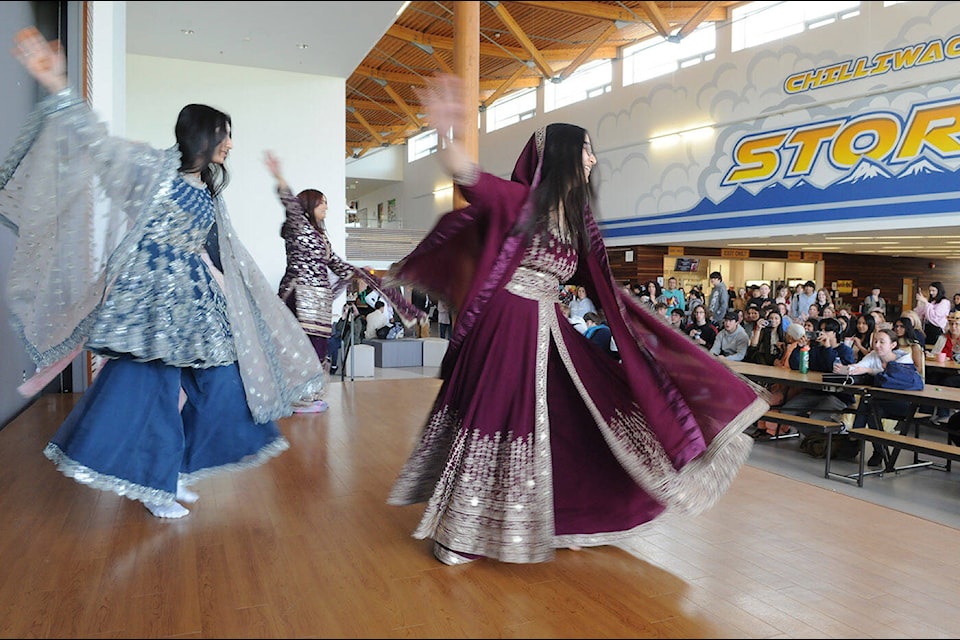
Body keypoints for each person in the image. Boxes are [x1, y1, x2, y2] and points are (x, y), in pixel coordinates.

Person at [385, 74, 767, 565]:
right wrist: (447, 131)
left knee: (569, 415)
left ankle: (558, 512)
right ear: (563, 155)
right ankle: (460, 532)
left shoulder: (577, 223)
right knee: (500, 415)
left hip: (545, 324)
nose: (593, 159)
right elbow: (468, 176)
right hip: (508, 324)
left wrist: (650, 336)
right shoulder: (521, 202)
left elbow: (606, 288)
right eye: (585, 150)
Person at [0, 28, 326, 518]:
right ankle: (154, 483)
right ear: (204, 134)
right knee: (143, 393)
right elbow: (96, 141)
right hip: (149, 308)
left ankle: (171, 469)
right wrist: (56, 85)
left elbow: (222, 254)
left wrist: (250, 306)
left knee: (224, 386)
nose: (231, 145)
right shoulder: (147, 172)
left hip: (195, 306)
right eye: (225, 134)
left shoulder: (210, 194)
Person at [265, 151, 400, 412]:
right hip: (299, 293)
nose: (326, 207)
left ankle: (306, 394)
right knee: (300, 344)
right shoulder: (298, 226)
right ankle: (295, 395)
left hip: (318, 298)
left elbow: (336, 263)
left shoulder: (322, 238)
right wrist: (279, 175)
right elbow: (290, 204)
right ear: (309, 206)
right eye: (322, 203)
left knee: (318, 344)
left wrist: (361, 271)